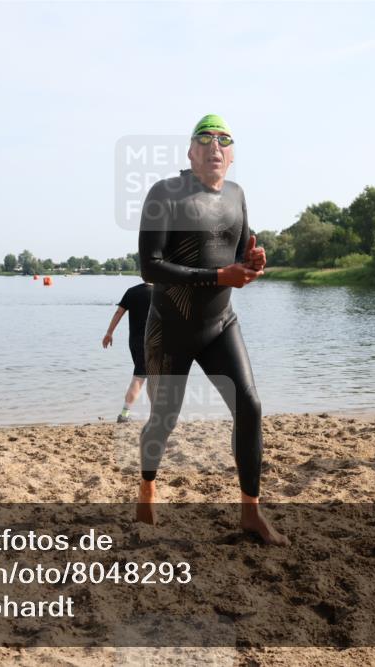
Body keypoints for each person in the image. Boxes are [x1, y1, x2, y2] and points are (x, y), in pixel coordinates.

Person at [135, 114, 288, 545]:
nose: (214, 146)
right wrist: (221, 276)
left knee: (250, 407)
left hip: (221, 323)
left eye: (224, 140)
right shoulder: (165, 194)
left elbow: (242, 248)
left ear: (232, 154)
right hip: (171, 328)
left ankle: (251, 514)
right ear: (190, 151)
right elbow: (149, 267)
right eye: (205, 139)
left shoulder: (237, 195)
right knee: (164, 419)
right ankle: (147, 487)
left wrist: (255, 261)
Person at [102, 281, 153, 422]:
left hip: (135, 342)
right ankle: (125, 415)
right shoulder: (161, 291)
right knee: (141, 378)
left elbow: (119, 312)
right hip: (153, 342)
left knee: (145, 376)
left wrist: (109, 332)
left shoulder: (132, 291)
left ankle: (152, 414)